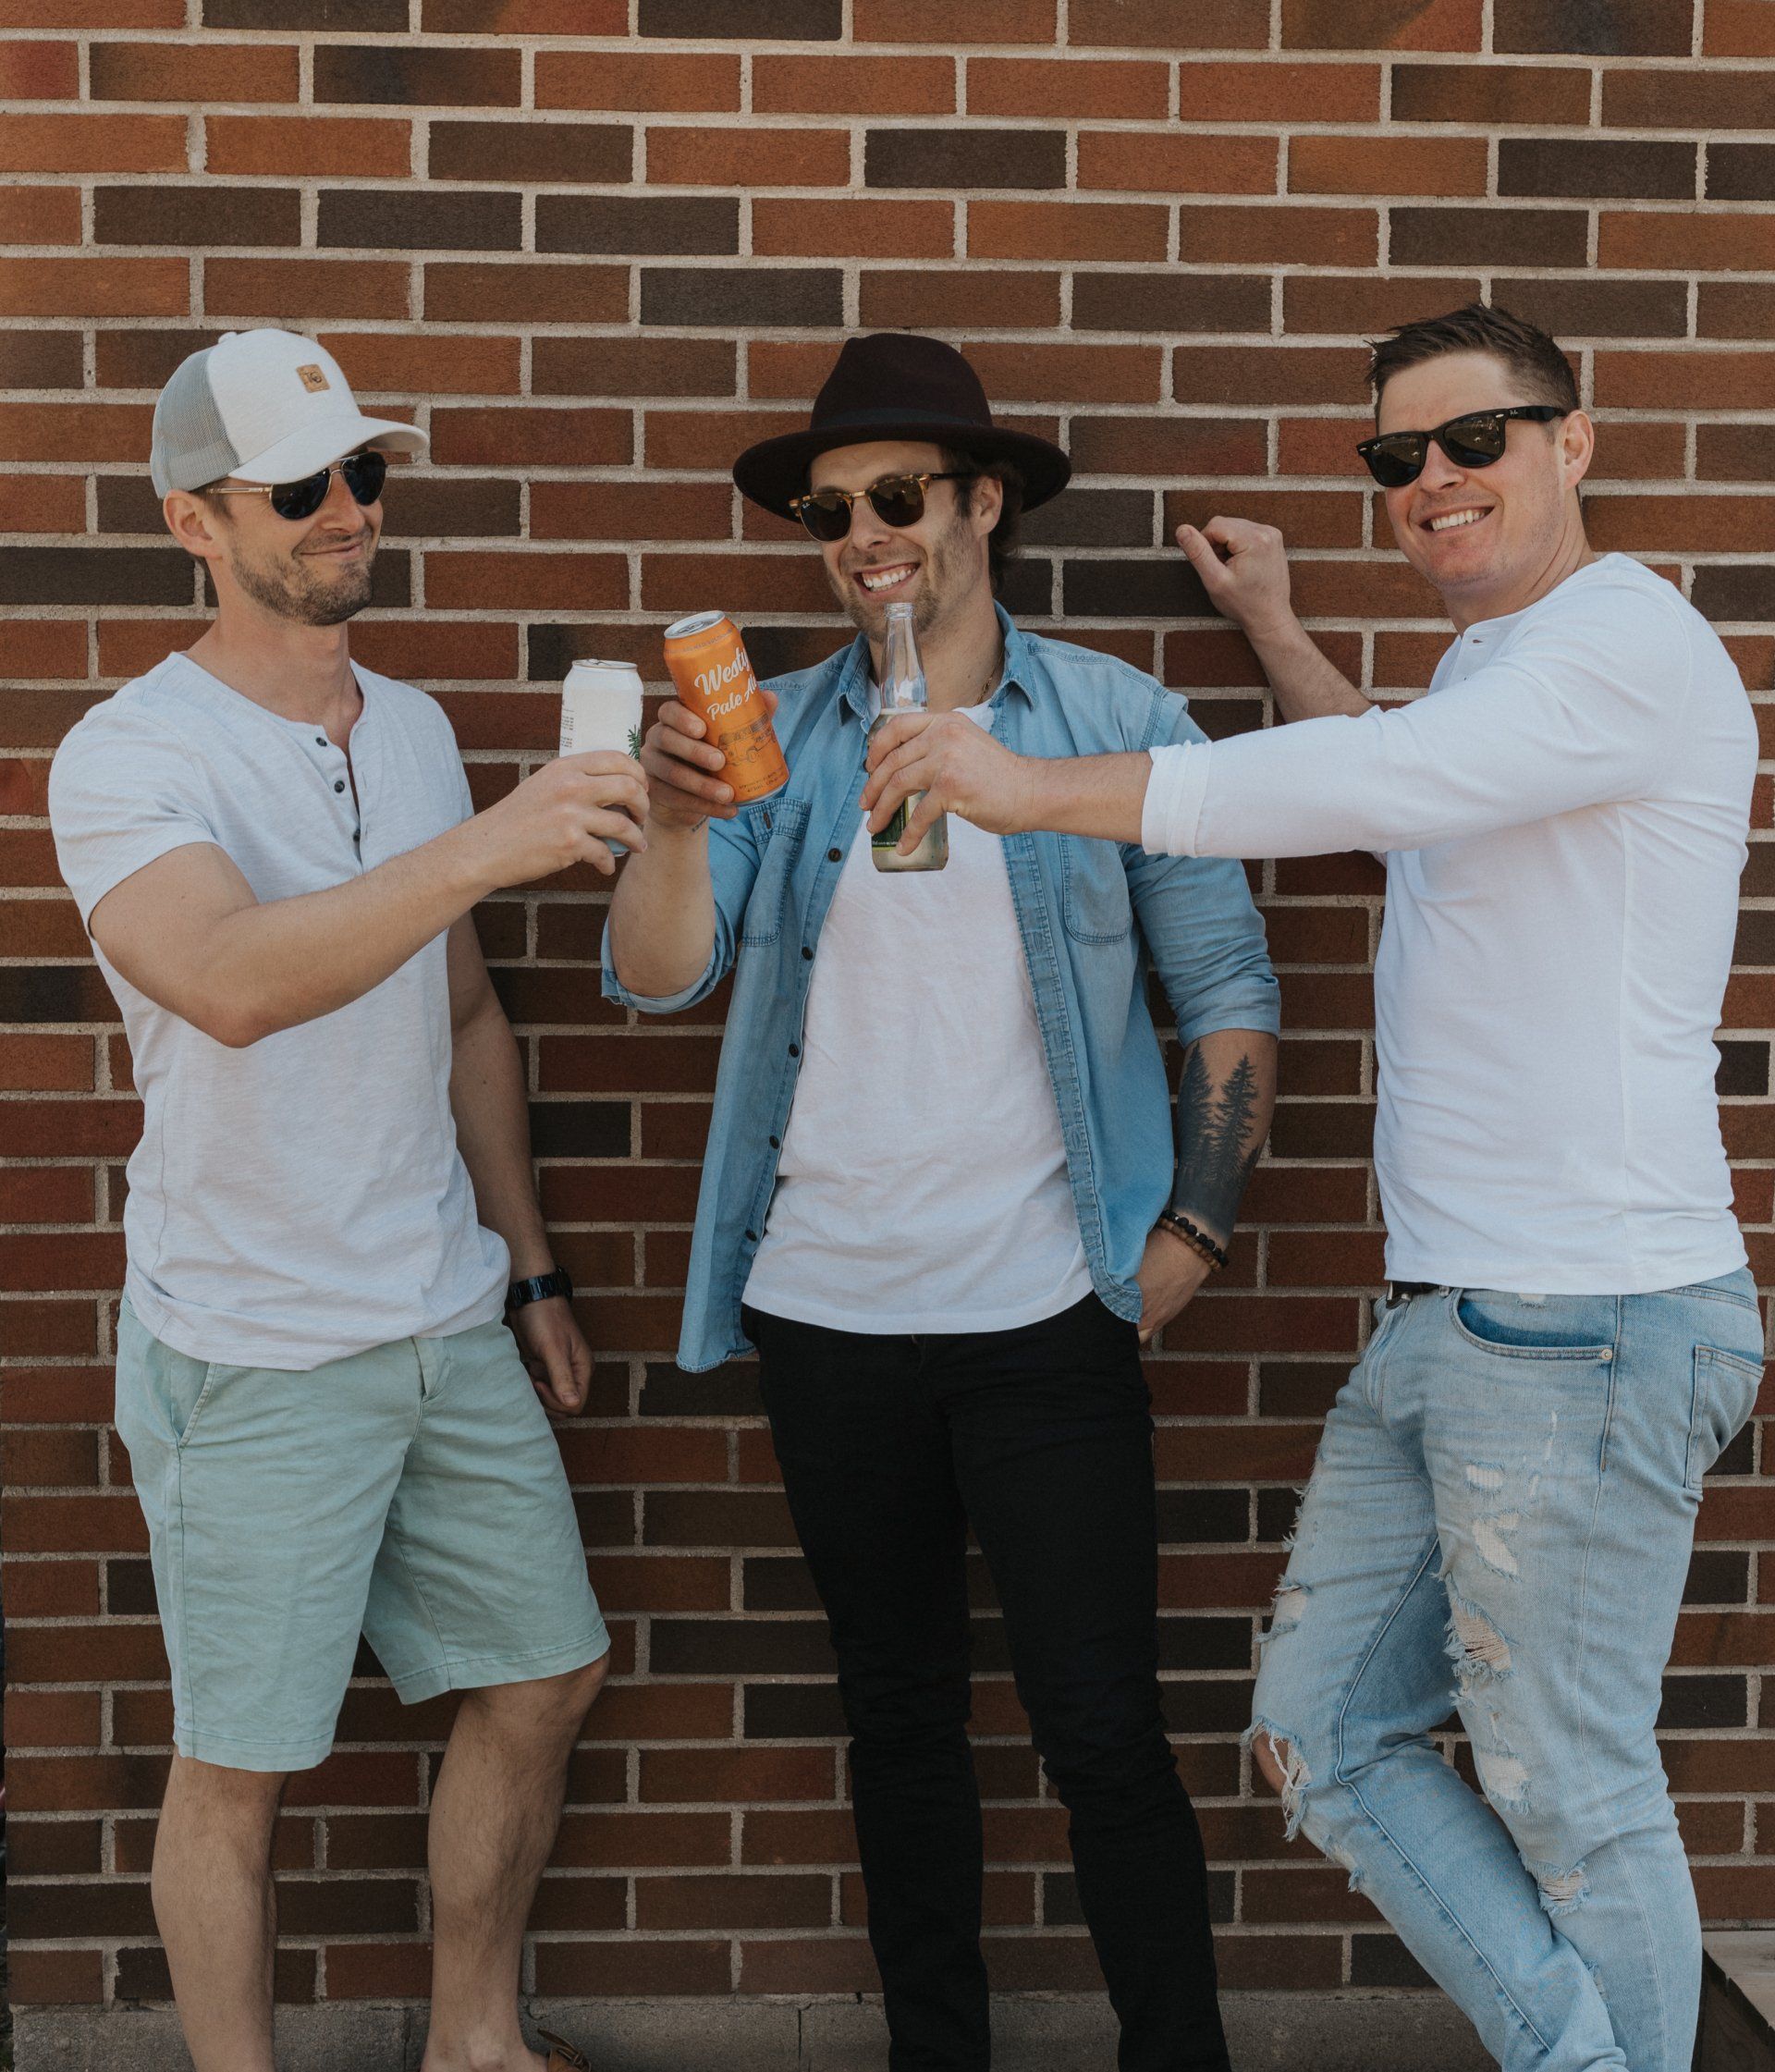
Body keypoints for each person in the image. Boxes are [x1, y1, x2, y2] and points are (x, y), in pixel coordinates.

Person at [862, 302, 1763, 2072]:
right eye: (1395, 457)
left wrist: (1038, 788)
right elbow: (1402, 792)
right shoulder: (1507, 675)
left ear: (1573, 440)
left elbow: (1385, 778)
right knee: (1323, 1730)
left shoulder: (1626, 642)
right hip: (1463, 1313)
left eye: (1472, 441)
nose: (1431, 480)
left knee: (1574, 1792)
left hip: (1584, 1314)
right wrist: (1276, 621)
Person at [606, 331, 1279, 2072]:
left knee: (1104, 1727)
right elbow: (664, 977)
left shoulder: (1118, 721)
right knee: (898, 1723)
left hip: (1051, 1310)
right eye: (833, 510)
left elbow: (1227, 992)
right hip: (828, 1311)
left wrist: (1184, 1241)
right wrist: (676, 825)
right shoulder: (778, 734)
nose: (863, 533)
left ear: (984, 505)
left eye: (898, 495)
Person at [46, 327, 645, 2072]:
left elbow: (460, 1009)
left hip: (443, 1311)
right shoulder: (126, 750)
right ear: (195, 521)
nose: (343, 510)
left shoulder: (421, 725)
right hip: (252, 1340)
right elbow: (225, 975)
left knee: (543, 1676)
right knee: (241, 1765)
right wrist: (492, 841)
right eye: (297, 486)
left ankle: (473, 2040)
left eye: (363, 472)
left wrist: (529, 1266)